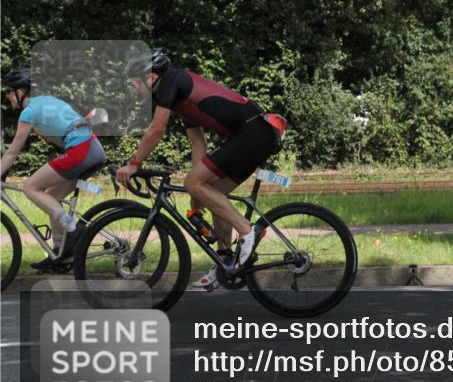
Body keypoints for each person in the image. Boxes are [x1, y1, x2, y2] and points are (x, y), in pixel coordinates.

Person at [118, 49, 282, 289]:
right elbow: (198, 144)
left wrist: (134, 163)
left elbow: (156, 129)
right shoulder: (181, 97)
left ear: (151, 77)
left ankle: (248, 231)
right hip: (253, 134)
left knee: (193, 183)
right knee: (211, 191)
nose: (133, 87)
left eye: (134, 81)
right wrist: (198, 193)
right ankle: (226, 261)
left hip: (253, 131)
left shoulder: (171, 82)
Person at [0, 68, 107, 270]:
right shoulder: (47, 101)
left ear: (20, 91)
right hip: (91, 148)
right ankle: (61, 253)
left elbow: (12, 152)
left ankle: (73, 229)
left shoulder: (29, 111)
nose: (7, 96)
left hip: (82, 150)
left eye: (9, 91)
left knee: (30, 187)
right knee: (51, 197)